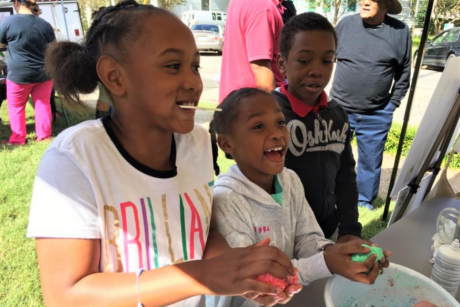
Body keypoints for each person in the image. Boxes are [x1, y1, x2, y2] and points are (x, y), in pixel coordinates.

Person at [26, 2, 296, 306]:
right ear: (115, 77)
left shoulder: (195, 143)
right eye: (173, 66)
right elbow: (65, 295)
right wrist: (201, 274)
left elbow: (201, 234)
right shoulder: (74, 160)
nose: (194, 82)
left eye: (194, 66)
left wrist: (239, 272)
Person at [209, 87, 391, 307]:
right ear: (227, 144)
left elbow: (307, 238)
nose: (277, 133)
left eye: (280, 122)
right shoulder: (226, 199)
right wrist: (326, 263)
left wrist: (337, 252)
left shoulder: (290, 180)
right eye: (258, 126)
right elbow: (258, 283)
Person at [272, 13, 360, 242]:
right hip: (283, 233)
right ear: (282, 63)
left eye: (326, 60)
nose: (317, 70)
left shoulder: (338, 115)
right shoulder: (268, 114)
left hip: (327, 229)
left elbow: (346, 175)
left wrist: (349, 228)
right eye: (304, 60)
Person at [330, 0, 411, 210]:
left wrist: (392, 104)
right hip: (339, 108)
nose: (364, 2)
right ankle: (330, 195)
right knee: (332, 156)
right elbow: (327, 58)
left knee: (370, 162)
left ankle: (363, 200)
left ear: (385, 4)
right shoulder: (345, 24)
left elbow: (404, 71)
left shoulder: (399, 31)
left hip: (377, 113)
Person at [0, 0, 55, 145]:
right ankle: (44, 137)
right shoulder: (45, 24)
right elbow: (53, 48)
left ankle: (18, 139)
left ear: (17, 3)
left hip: (19, 75)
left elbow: (0, 43)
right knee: (43, 104)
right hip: (44, 73)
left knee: (16, 106)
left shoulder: (9, 22)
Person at [219, 0, 284, 102]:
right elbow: (260, 68)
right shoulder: (262, 7)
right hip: (254, 108)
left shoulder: (238, 2)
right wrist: (274, 113)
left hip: (236, 106)